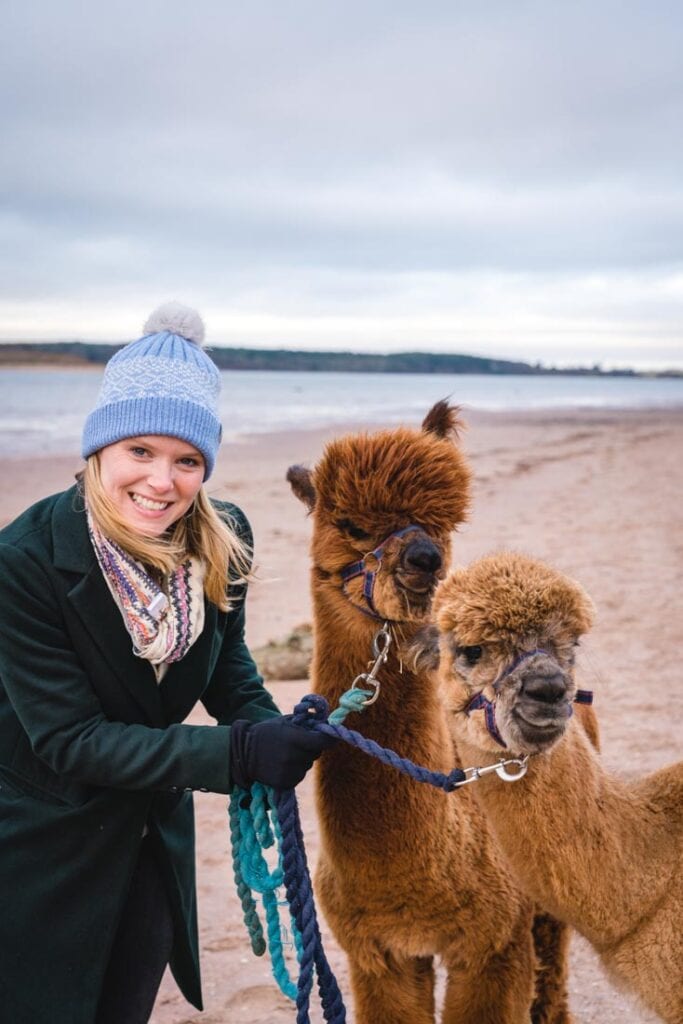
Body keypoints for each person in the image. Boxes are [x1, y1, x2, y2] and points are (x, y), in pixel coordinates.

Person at [0, 303, 333, 1024]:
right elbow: (68, 740)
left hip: (152, 839)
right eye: (140, 452)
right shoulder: (22, 563)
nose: (162, 481)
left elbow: (224, 664)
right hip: (37, 847)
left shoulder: (224, 538)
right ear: (99, 449)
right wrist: (241, 752)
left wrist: (269, 727)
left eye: (187, 460)